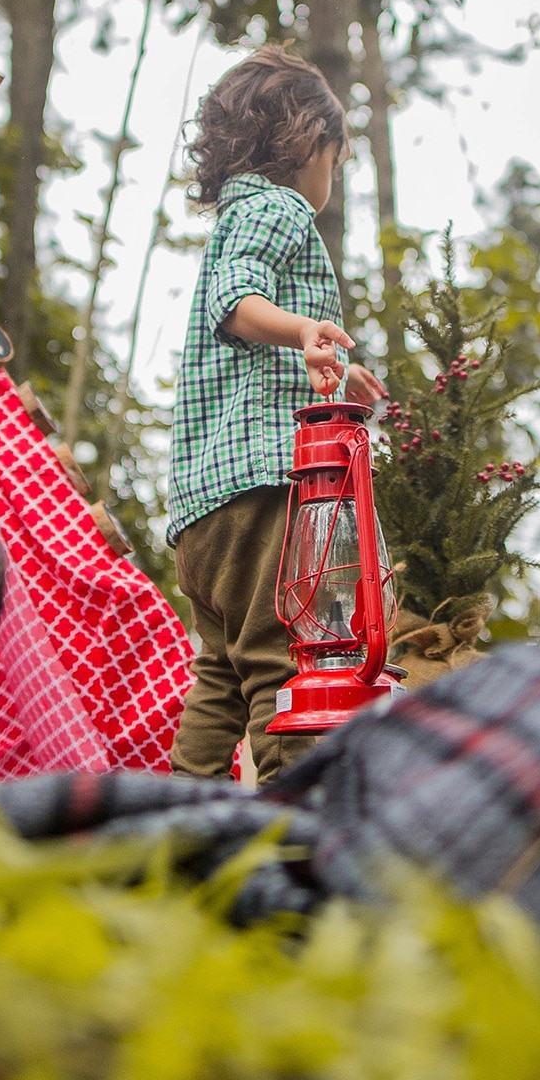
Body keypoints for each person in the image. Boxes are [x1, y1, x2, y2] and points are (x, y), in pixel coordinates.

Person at [167, 46, 385, 783]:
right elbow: (240, 301)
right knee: (279, 664)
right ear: (305, 146)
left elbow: (242, 336)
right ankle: (291, 832)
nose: (331, 178)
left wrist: (322, 365)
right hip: (262, 491)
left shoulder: (234, 216)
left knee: (219, 677)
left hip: (203, 512)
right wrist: (300, 331)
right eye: (335, 159)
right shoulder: (279, 208)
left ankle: (175, 827)